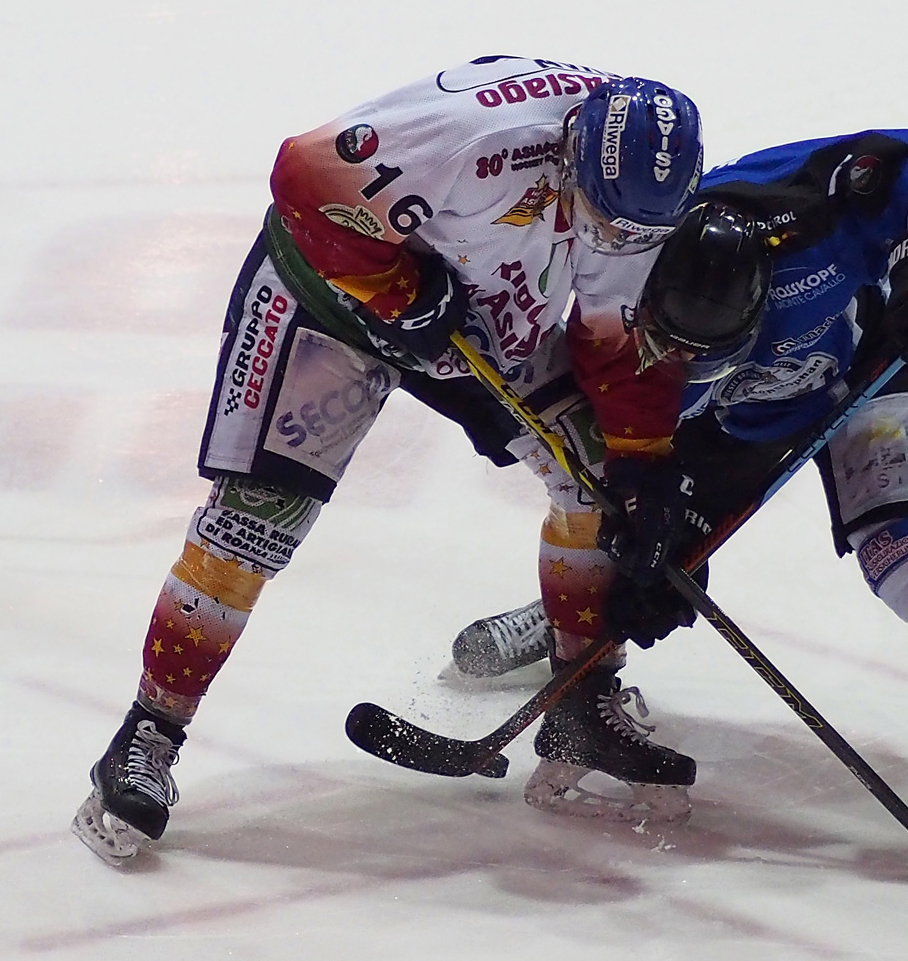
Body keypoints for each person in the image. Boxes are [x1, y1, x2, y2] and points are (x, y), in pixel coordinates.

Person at [72, 55, 705, 864]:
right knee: (254, 522)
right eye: (605, 221)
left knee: (597, 481)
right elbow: (304, 176)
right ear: (569, 150)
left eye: (634, 234)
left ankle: (581, 700)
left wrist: (643, 463)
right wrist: (400, 292)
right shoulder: (476, 135)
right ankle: (146, 736)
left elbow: (614, 335)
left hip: (472, 315)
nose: (613, 242)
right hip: (331, 297)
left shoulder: (637, 195)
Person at [448, 126, 908, 869]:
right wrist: (650, 548)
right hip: (726, 428)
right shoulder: (616, 294)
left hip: (875, 365)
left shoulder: (804, 207)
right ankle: (572, 626)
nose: (693, 361)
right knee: (648, 550)